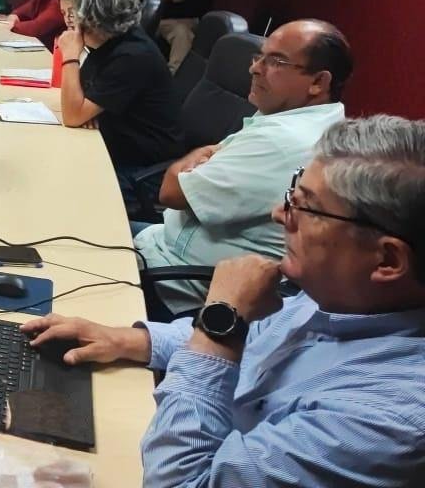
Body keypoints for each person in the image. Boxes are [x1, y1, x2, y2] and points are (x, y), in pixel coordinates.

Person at [22, 115, 425, 488]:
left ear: (387, 261)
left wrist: (220, 325)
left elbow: (179, 483)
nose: (279, 214)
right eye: (293, 193)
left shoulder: (389, 420)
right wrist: (131, 340)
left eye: (307, 207)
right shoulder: (342, 297)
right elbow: (259, 340)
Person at [135, 20, 352, 316]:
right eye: (259, 56)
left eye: (276, 61)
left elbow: (171, 192)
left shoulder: (283, 139)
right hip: (164, 242)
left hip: (173, 279)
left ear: (318, 82)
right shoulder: (304, 120)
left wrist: (192, 160)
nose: (254, 68)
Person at [59, 0, 184, 215]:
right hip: (120, 144)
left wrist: (70, 56)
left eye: (77, 17)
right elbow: (82, 96)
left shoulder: (131, 56)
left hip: (142, 167)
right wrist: (87, 110)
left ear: (93, 23)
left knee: (66, 187)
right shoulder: (114, 39)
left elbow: (73, 115)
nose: (74, 24)